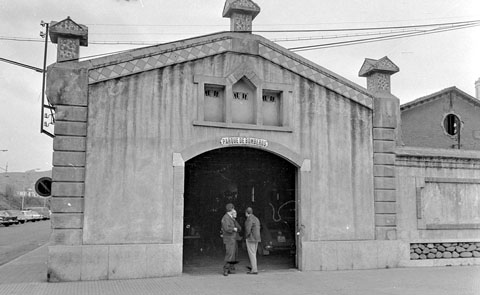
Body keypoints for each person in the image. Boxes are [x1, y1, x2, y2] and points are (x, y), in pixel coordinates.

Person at [221, 203, 242, 276]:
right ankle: (225, 269)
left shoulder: (231, 218)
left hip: (233, 238)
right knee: (229, 254)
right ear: (231, 209)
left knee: (234, 254)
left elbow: (239, 227)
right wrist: (233, 229)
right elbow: (226, 228)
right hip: (229, 239)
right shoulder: (225, 218)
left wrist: (234, 218)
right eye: (233, 209)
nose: (234, 211)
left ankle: (230, 268)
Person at [244, 207, 261, 274]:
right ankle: (254, 268)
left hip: (251, 238)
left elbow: (248, 229)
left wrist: (246, 236)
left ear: (246, 213)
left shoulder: (249, 219)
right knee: (254, 253)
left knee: (252, 254)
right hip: (257, 238)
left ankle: (254, 270)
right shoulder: (256, 218)